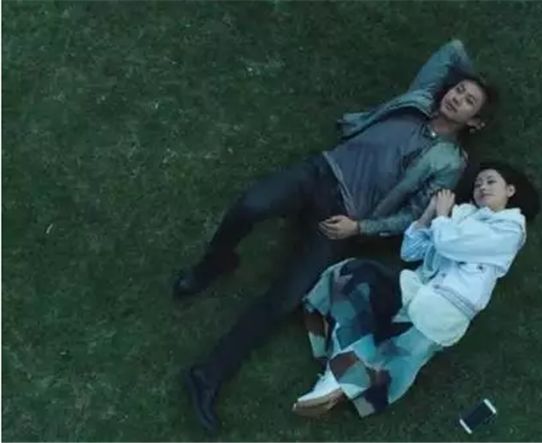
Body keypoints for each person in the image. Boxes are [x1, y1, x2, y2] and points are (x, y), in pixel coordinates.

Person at [178, 39, 498, 435]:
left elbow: (413, 215)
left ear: (475, 122)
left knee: (284, 301)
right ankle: (216, 262)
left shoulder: (450, 162)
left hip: (344, 221)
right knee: (249, 206)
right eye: (458, 90)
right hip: (320, 173)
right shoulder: (420, 98)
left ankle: (206, 376)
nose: (457, 98)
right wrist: (476, 78)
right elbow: (452, 50)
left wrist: (359, 228)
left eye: (468, 102)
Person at [289, 162, 540, 418]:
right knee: (353, 276)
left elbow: (449, 243)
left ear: (510, 190)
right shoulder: (462, 215)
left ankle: (336, 380)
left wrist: (442, 215)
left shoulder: (510, 229)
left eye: (490, 181)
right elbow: (410, 251)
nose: (482, 187)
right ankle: (335, 376)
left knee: (392, 355)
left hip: (445, 309)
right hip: (417, 288)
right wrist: (429, 213)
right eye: (477, 184)